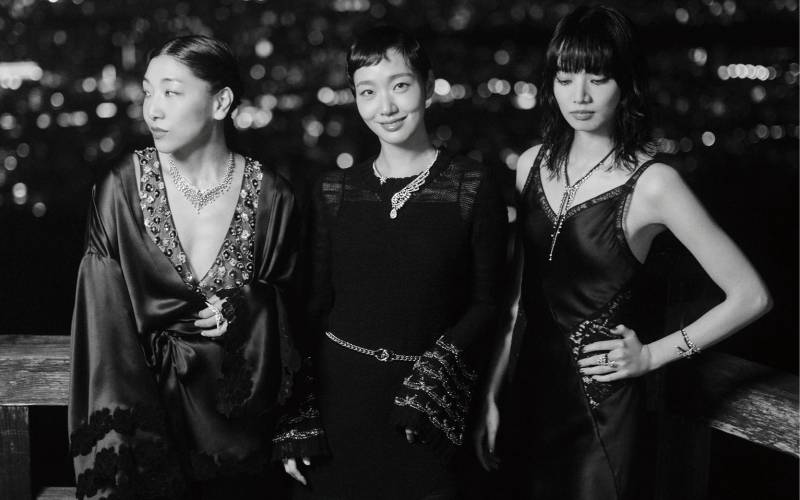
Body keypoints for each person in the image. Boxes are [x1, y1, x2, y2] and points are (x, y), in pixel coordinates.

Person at [473, 5, 772, 500]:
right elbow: (516, 302)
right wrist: (490, 394)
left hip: (602, 415)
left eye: (598, 78)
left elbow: (751, 296)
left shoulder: (655, 184)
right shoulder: (529, 165)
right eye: (565, 78)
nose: (580, 95)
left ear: (626, 83)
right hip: (527, 397)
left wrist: (653, 354)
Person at [275, 25, 508, 500]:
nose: (386, 106)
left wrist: (432, 379)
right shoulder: (332, 191)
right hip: (337, 415)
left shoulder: (472, 186)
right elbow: (312, 310)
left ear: (427, 86)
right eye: (368, 92)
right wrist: (297, 418)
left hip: (424, 414)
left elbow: (488, 303)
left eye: (400, 85)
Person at [68, 35, 302, 499]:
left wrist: (249, 306)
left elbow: (297, 312)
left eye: (171, 92)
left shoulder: (274, 197)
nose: (152, 110)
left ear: (221, 103)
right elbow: (103, 327)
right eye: (147, 92)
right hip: (144, 433)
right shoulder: (119, 190)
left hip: (239, 440)